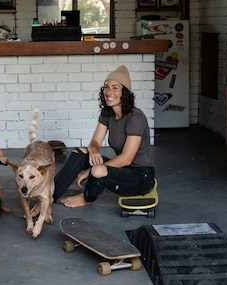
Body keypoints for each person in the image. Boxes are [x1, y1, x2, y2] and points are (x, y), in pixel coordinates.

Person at [54, 65, 156, 207]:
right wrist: (94, 150)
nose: (109, 92)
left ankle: (87, 198)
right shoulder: (108, 114)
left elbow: (126, 159)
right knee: (81, 152)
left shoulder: (135, 117)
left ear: (124, 92)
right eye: (106, 87)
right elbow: (95, 141)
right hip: (121, 169)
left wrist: (89, 171)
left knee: (98, 170)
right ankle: (50, 196)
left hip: (140, 176)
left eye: (115, 87)